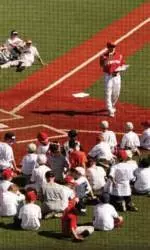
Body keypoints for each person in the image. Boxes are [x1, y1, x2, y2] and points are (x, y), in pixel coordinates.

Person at [100, 41, 126, 117]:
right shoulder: (103, 56)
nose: (113, 48)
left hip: (117, 77)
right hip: (108, 77)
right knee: (108, 93)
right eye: (111, 47)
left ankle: (112, 105)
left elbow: (123, 64)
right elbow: (102, 65)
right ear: (108, 47)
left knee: (116, 93)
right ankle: (110, 109)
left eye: (114, 47)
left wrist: (122, 68)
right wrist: (110, 57)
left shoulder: (119, 56)